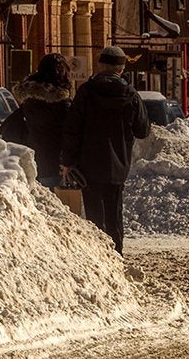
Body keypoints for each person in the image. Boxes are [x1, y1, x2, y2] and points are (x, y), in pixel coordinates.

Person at [64, 46, 149, 251]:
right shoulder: (131, 94)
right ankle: (116, 255)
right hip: (117, 165)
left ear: (101, 65)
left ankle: (98, 256)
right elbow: (143, 130)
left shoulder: (86, 91)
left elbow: (72, 129)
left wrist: (67, 161)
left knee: (93, 214)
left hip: (88, 163)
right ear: (121, 69)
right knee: (114, 214)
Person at [2, 54, 77, 190]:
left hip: (32, 160)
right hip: (56, 163)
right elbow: (70, 135)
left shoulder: (29, 102)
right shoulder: (63, 105)